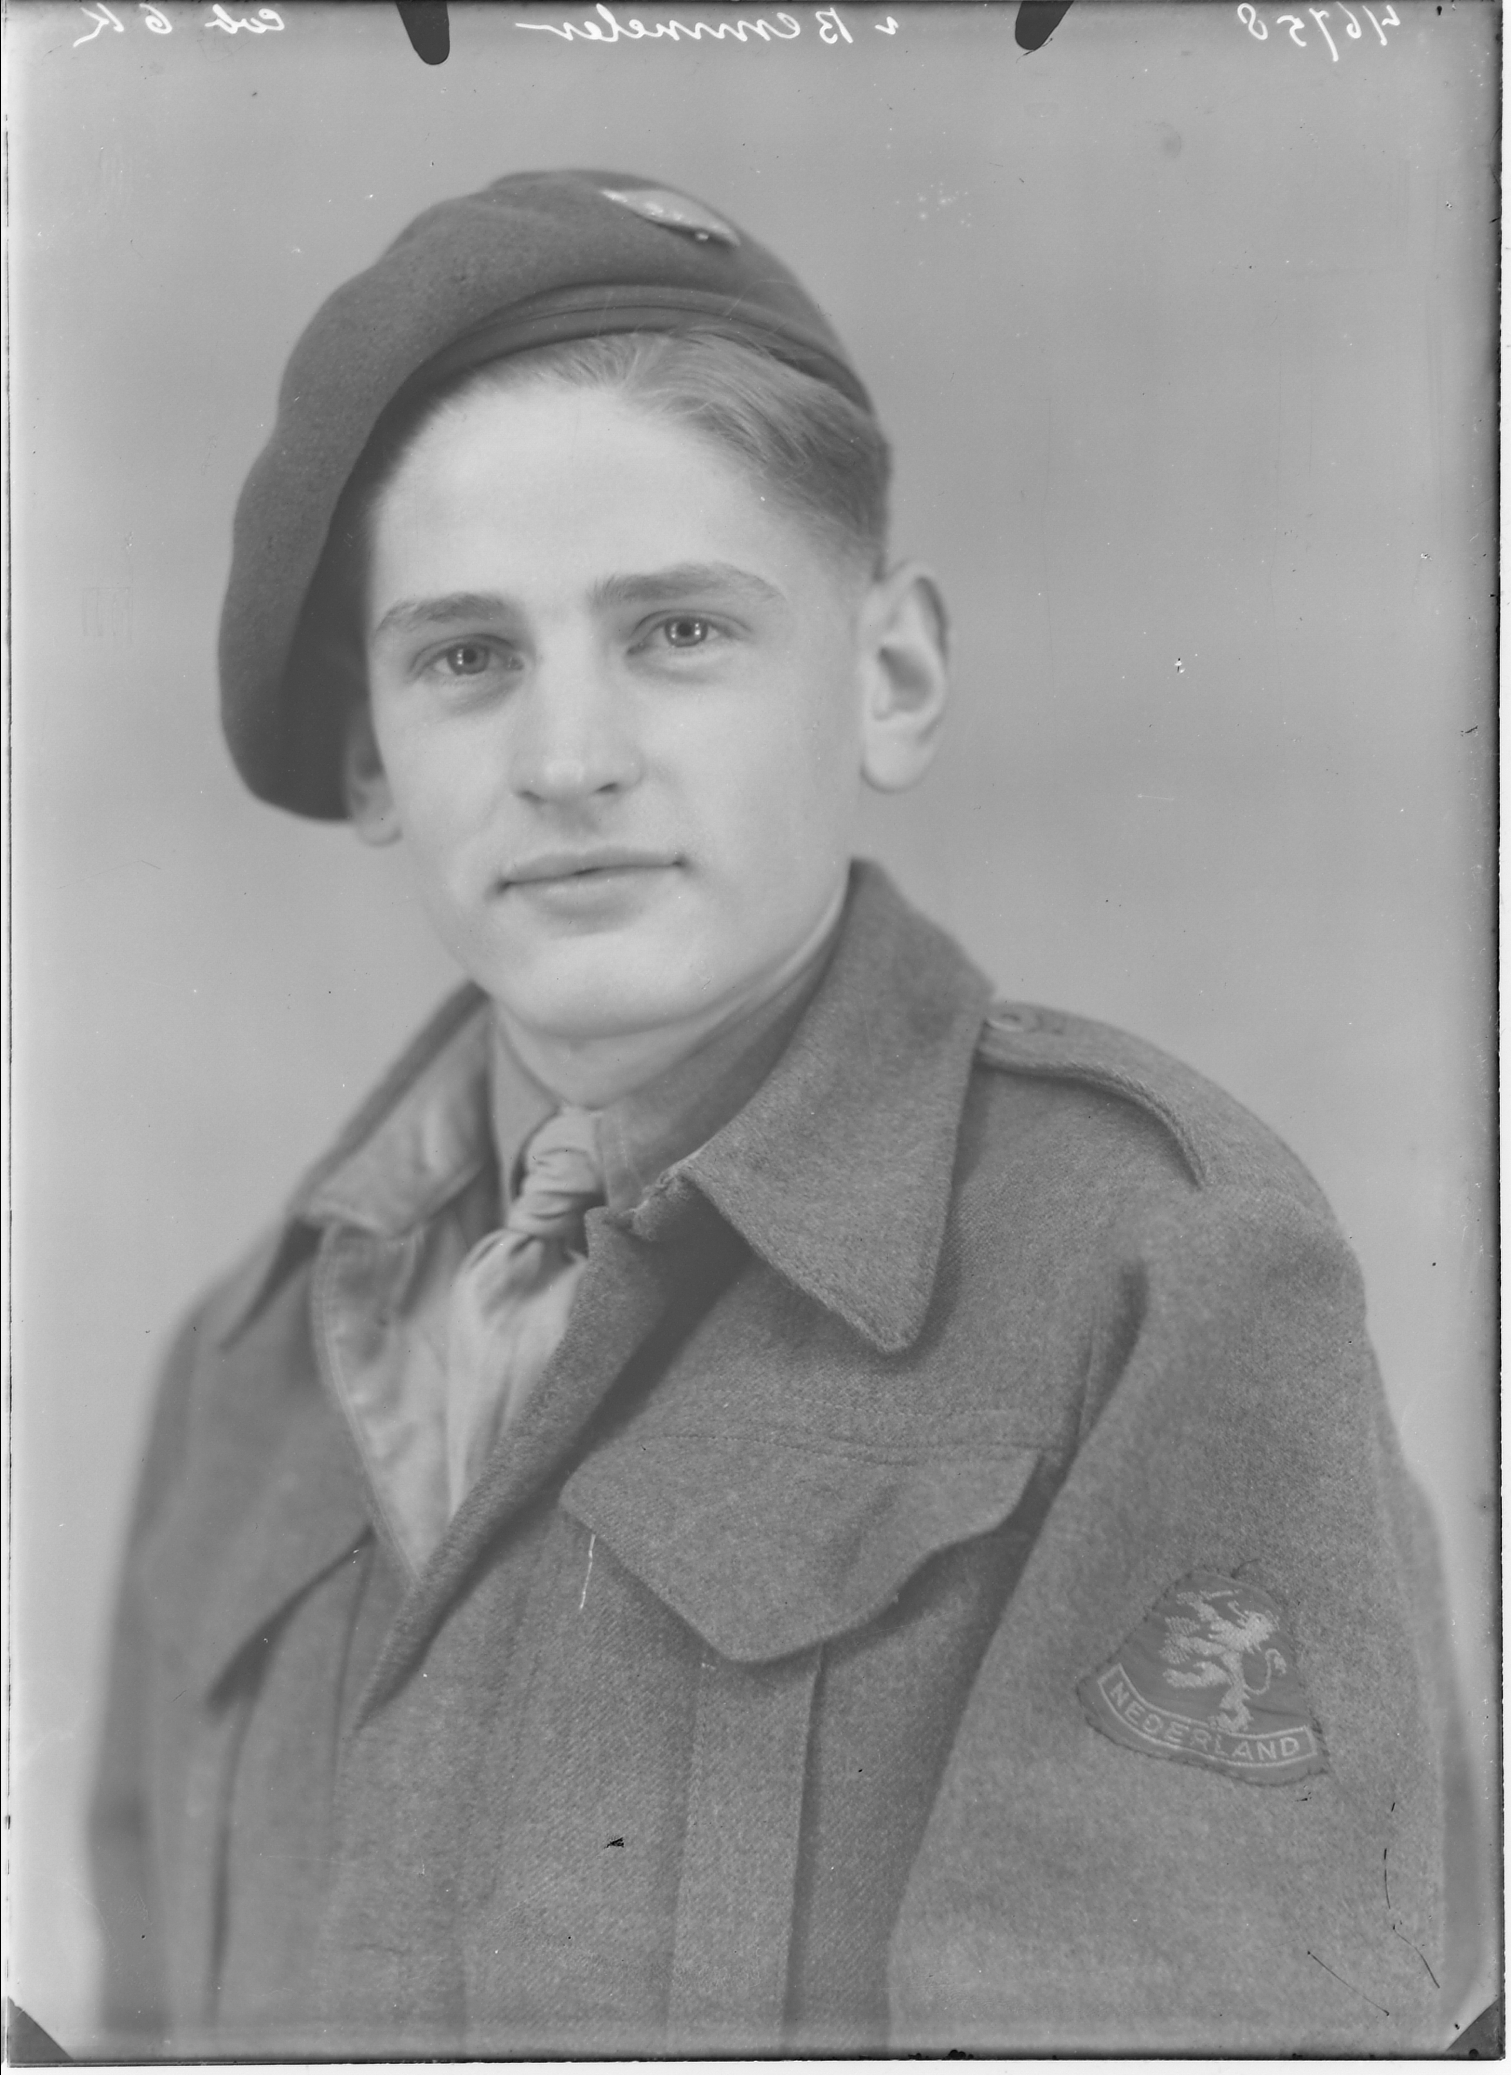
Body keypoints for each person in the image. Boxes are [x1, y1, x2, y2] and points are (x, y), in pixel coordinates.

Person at [90, 168, 1462, 2058]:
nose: (569, 759)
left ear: (888, 679)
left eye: (677, 632)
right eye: (467, 657)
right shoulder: (243, 1378)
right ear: (370, 755)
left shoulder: (1155, 1277)